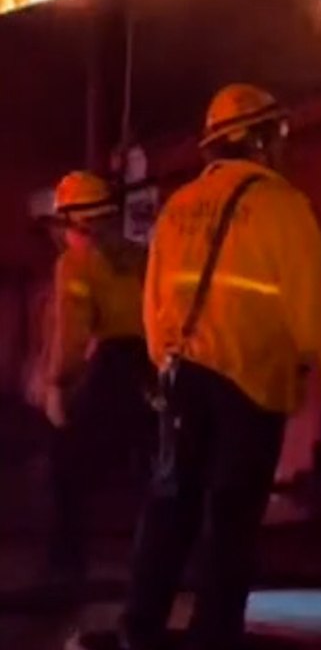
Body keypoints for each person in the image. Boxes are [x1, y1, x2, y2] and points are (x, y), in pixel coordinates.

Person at [70, 83, 321, 650]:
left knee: (168, 507)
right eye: (278, 136)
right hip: (249, 384)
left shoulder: (177, 208)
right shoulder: (283, 207)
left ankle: (139, 630)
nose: (283, 148)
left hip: (182, 379)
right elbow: (311, 303)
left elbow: (154, 298)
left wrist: (163, 366)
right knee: (231, 520)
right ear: (257, 140)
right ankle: (213, 637)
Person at [40, 170, 151, 585]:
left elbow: (73, 333)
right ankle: (150, 564)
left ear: (75, 221)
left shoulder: (75, 262)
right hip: (149, 367)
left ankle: (66, 564)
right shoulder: (138, 256)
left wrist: (57, 384)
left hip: (111, 363)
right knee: (146, 471)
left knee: (65, 465)